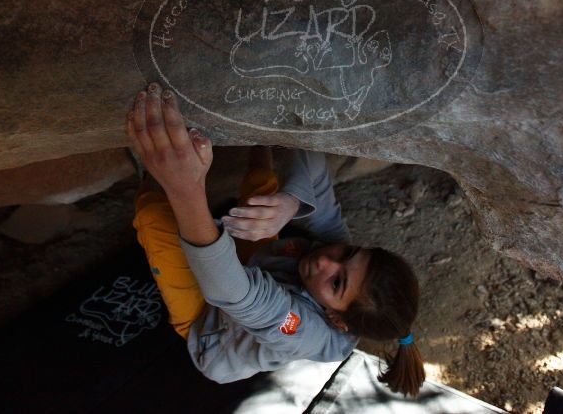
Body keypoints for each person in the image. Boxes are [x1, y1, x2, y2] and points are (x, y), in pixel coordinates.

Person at [125, 82, 425, 396]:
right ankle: (257, 141)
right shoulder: (330, 265)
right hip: (256, 269)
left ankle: (149, 165)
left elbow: (230, 292)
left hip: (210, 326)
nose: (326, 260)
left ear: (336, 320)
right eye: (348, 253)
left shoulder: (303, 332)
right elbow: (311, 160)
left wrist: (184, 186)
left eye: (337, 282)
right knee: (266, 197)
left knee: (153, 215)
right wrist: (293, 202)